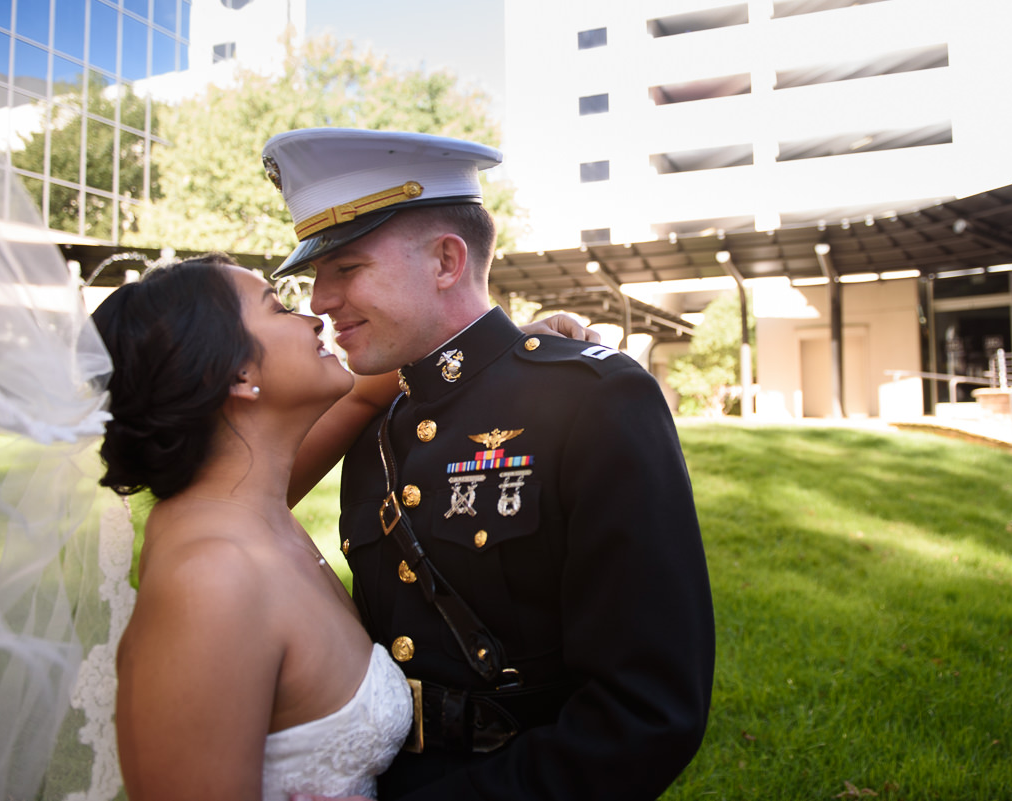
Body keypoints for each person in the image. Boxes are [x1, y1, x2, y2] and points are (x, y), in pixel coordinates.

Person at [265, 128, 716, 800]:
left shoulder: (592, 399)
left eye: (347, 269)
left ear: (447, 260)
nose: (321, 299)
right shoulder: (376, 416)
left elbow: (646, 712)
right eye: (316, 275)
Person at [91, 252, 594, 801]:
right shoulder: (212, 576)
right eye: (278, 308)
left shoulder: (240, 504)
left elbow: (367, 389)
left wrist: (516, 345)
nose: (312, 314)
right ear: (235, 372)